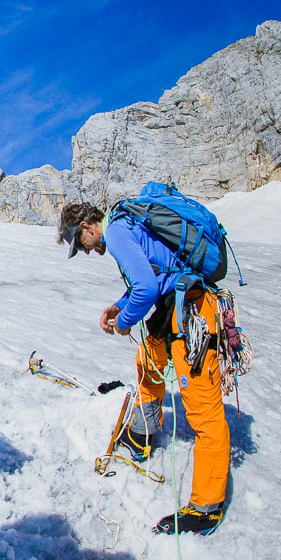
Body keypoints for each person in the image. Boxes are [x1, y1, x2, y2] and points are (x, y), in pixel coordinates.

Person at [58, 201, 230, 535]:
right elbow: (154, 274)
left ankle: (206, 508)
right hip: (174, 308)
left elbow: (148, 288)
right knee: (147, 363)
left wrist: (124, 321)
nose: (86, 251)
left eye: (81, 245)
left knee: (202, 409)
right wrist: (120, 306)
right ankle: (142, 434)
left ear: (86, 227)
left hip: (191, 313)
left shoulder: (118, 232)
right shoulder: (125, 226)